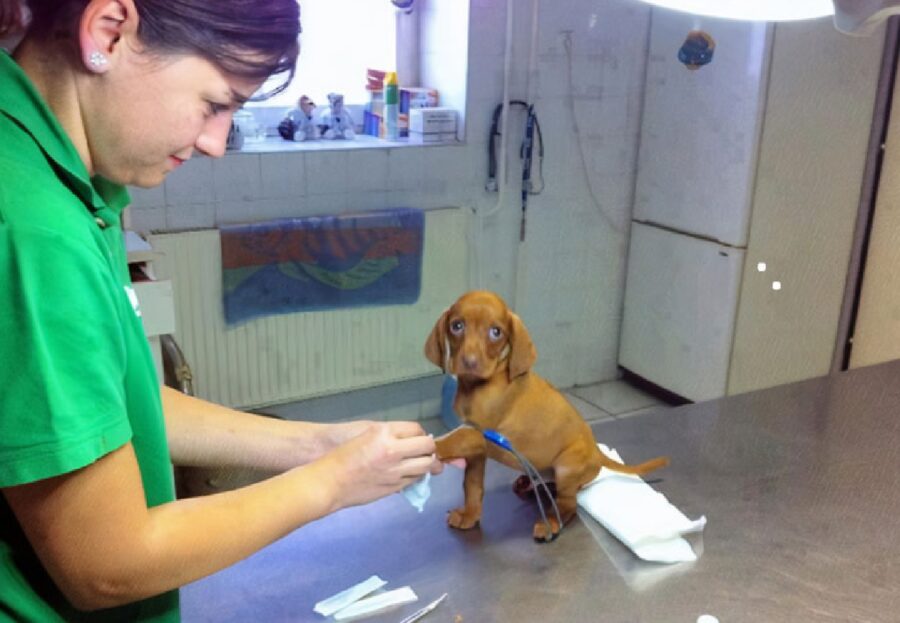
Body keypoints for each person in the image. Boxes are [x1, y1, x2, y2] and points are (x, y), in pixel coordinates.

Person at [0, 1, 442, 621]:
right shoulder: (33, 230)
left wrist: (321, 444)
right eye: (215, 104)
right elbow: (109, 565)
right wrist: (333, 484)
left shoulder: (64, 175)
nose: (216, 143)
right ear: (108, 31)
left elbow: (114, 408)